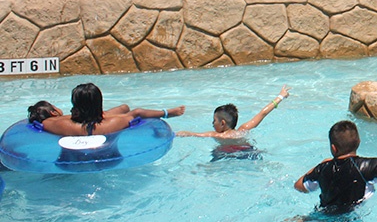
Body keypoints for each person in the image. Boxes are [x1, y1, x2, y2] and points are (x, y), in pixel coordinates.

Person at [37, 83, 184, 137]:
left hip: (84, 120)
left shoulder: (56, 124)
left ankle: (89, 111)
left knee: (123, 108)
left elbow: (43, 121)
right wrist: (165, 113)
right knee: (125, 108)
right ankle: (168, 113)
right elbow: (137, 113)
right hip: (101, 123)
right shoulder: (113, 123)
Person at [176, 85, 290, 139]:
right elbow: (262, 113)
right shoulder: (243, 130)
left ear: (222, 123)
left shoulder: (217, 135)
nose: (212, 123)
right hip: (247, 152)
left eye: (214, 120)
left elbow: (194, 134)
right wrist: (280, 96)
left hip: (226, 154)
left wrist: (176, 134)